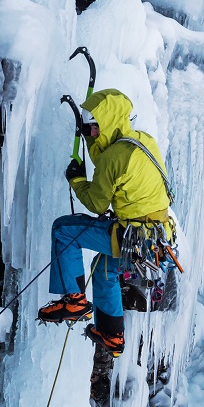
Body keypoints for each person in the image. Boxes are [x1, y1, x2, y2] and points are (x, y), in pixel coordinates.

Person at [37, 89, 172, 357]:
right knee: (104, 270)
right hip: (157, 237)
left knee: (64, 230)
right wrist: (90, 140)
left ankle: (74, 301)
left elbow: (97, 203)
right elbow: (117, 170)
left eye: (96, 128)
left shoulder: (113, 157)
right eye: (90, 130)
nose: (94, 135)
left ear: (109, 123)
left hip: (132, 236)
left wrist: (77, 180)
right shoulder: (144, 141)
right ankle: (112, 335)